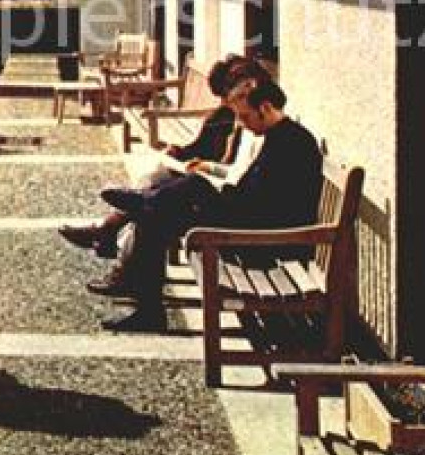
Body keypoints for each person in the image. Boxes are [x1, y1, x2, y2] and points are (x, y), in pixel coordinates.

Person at [98, 74, 324, 332]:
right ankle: (148, 307)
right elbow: (255, 197)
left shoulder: (291, 144)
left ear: (266, 108)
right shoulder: (278, 136)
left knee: (192, 188)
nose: (242, 124)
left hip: (268, 241)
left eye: (246, 116)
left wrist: (216, 194)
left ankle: (145, 203)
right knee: (155, 217)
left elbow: (263, 205)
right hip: (255, 225)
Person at [59, 55, 252, 258]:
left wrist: (208, 168)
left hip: (218, 191)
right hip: (208, 176)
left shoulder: (253, 122)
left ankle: (109, 232)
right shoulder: (227, 114)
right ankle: (112, 234)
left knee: (156, 192)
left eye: (226, 95)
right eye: (223, 96)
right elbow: (201, 146)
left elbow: (237, 174)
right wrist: (178, 152)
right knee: (155, 184)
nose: (225, 102)